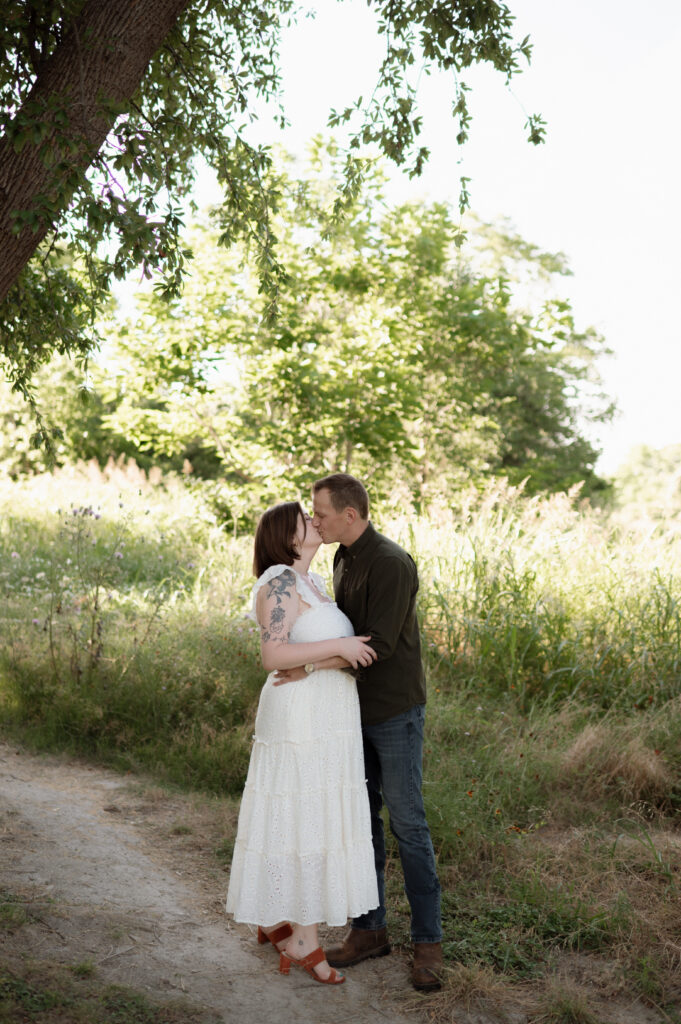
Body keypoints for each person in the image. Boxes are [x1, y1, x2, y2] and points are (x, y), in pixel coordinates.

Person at [276, 474, 443, 991]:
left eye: (321, 513)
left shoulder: (391, 563)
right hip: (350, 712)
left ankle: (428, 943)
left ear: (350, 515)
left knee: (408, 824)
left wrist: (309, 667)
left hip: (393, 711)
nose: (315, 521)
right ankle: (370, 930)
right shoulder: (342, 557)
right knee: (360, 823)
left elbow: (377, 646)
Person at [225, 500, 379, 986]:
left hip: (327, 717)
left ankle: (278, 919)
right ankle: (303, 940)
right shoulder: (280, 580)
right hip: (299, 718)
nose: (315, 521)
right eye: (304, 519)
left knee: (309, 818)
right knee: (304, 817)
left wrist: (335, 651)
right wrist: (340, 646)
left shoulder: (311, 582)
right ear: (287, 538)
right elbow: (273, 654)